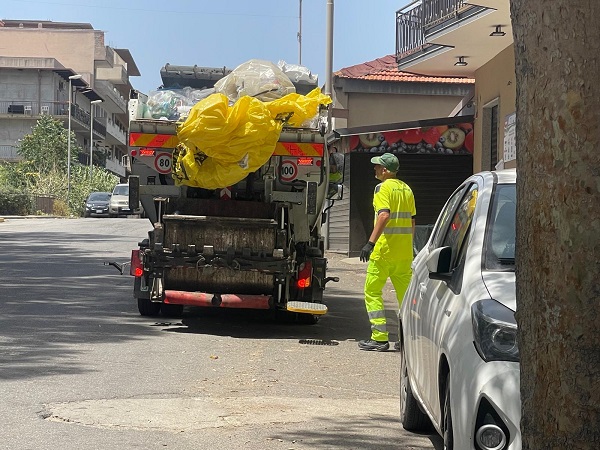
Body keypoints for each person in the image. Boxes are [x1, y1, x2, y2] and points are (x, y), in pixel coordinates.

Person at [358, 153, 416, 351]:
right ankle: (406, 339)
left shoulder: (382, 188)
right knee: (406, 298)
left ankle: (380, 338)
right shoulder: (407, 189)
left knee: (372, 291)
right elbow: (412, 221)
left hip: (384, 251)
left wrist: (370, 243)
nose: (374, 169)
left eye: (377, 167)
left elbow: (383, 215)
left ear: (385, 170)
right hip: (404, 254)